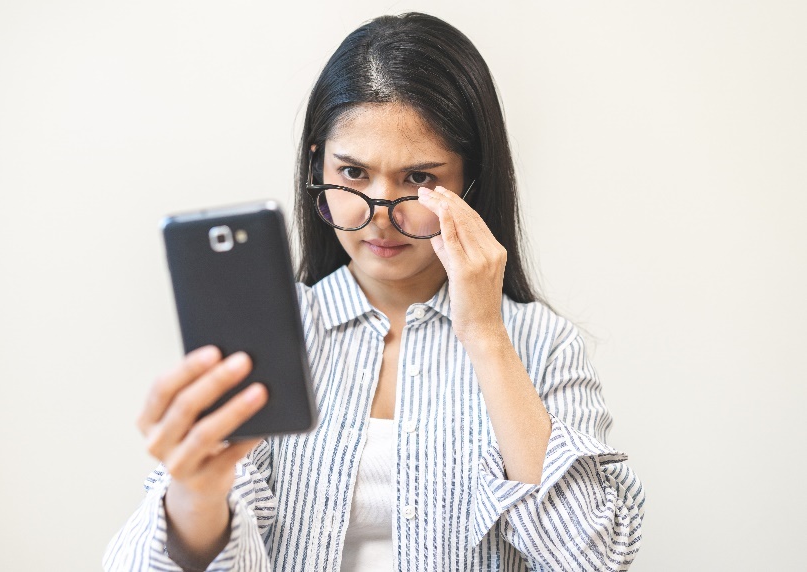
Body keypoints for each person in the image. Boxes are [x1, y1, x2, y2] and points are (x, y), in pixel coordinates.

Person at [104, 12, 644, 572]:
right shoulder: (272, 336)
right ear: (317, 163)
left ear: (471, 182)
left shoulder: (542, 346)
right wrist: (195, 496)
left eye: (419, 179)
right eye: (354, 173)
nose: (377, 218)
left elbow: (593, 559)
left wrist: (485, 335)